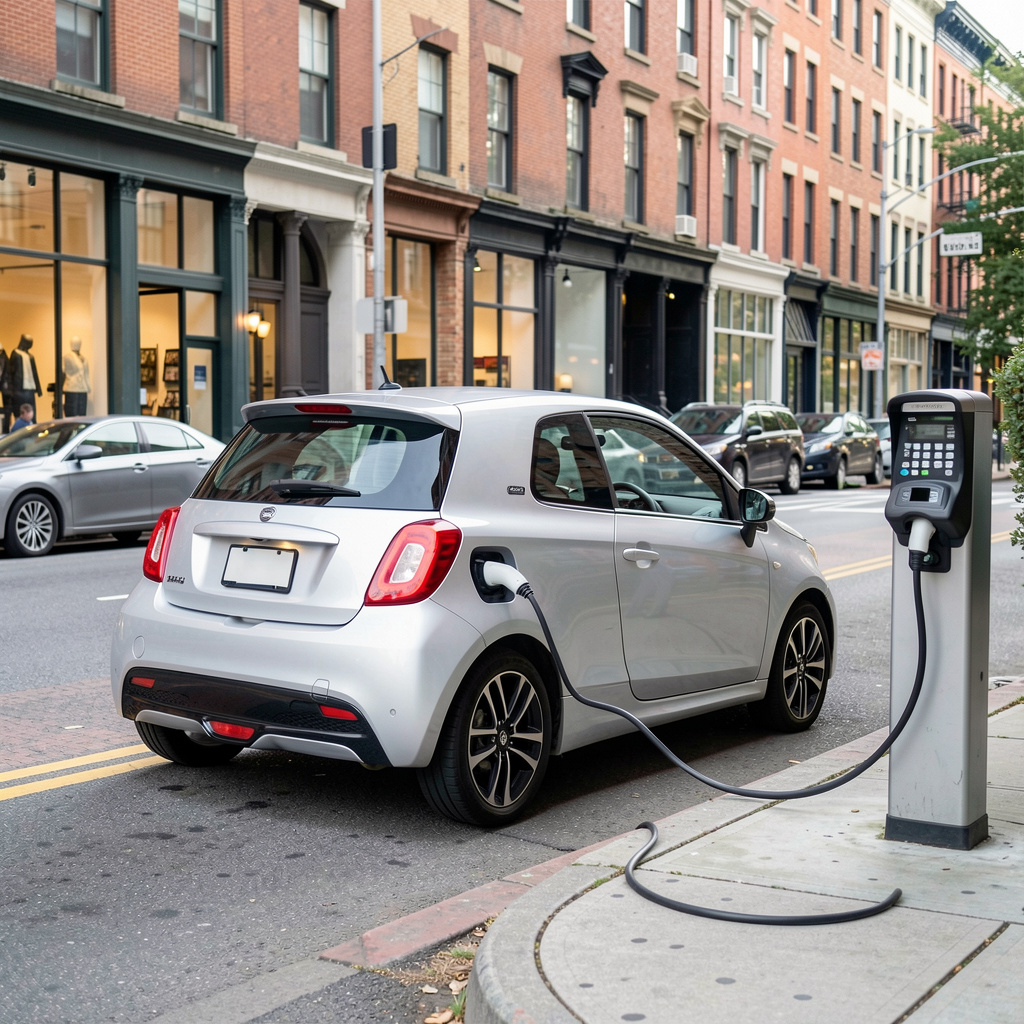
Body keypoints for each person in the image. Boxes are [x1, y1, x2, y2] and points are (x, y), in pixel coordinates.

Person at [62, 336, 91, 416]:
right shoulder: (67, 357)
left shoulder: (83, 358)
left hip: (83, 389)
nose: (77, 344)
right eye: (75, 342)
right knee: (72, 413)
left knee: (82, 413)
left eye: (78, 343)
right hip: (72, 388)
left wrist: (88, 386)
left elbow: (85, 374)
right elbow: (63, 373)